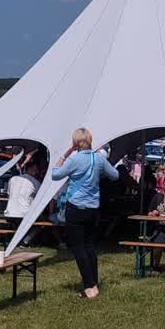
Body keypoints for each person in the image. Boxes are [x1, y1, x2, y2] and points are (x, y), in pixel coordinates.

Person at [51, 128, 119, 299]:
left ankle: (89, 286)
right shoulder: (99, 158)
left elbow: (55, 174)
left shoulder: (74, 159)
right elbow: (115, 175)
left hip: (75, 207)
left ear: (75, 142)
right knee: (89, 245)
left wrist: (65, 154)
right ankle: (94, 283)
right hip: (93, 208)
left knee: (78, 247)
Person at [4, 158, 42, 236]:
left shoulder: (12, 179)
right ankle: (26, 240)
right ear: (32, 169)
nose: (37, 172)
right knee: (43, 222)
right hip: (25, 215)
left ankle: (18, 238)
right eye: (36, 170)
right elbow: (39, 200)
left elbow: (8, 195)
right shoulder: (36, 183)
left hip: (9, 213)